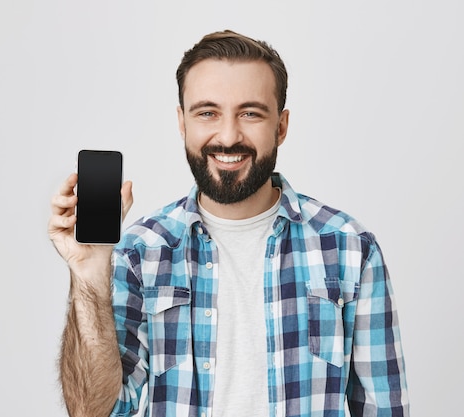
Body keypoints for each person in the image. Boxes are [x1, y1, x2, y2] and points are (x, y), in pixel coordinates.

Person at [49, 30, 409, 417]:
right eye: (208, 113)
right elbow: (93, 411)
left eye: (250, 113)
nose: (228, 136)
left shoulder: (350, 248)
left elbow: (383, 408)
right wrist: (88, 274)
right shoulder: (138, 253)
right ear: (182, 123)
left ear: (281, 126)